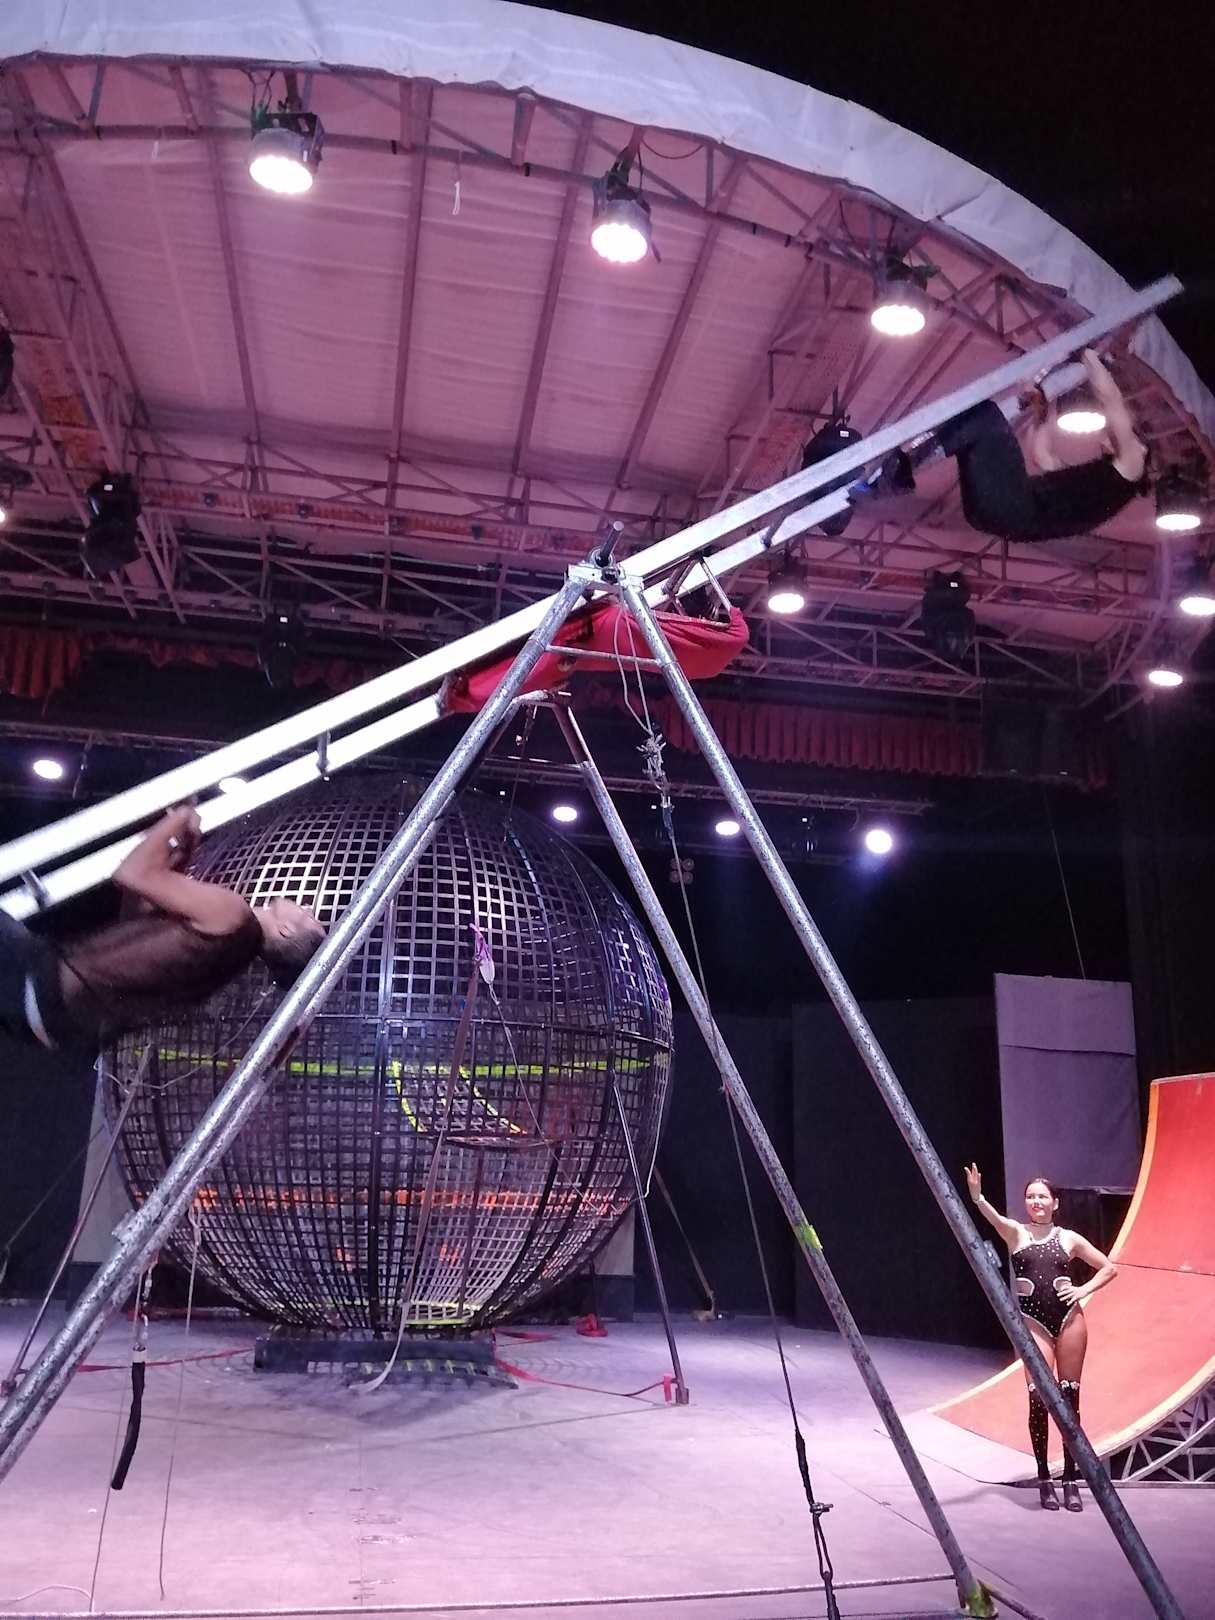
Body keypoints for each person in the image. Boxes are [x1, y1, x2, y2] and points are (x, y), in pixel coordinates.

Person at [0, 805, 325, 1052]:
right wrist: (181, 856)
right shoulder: (233, 952)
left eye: (311, 921)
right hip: (51, 1019)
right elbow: (135, 924)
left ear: (285, 931)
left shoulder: (234, 914)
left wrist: (182, 813)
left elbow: (129, 873)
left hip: (39, 980)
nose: (309, 910)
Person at [857, 349, 1148, 543]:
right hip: (995, 516)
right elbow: (1042, 454)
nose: (1103, 436)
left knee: (986, 418)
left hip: (1013, 507)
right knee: (972, 424)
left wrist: (1089, 355)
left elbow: (1113, 402)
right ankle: (900, 472)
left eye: (1111, 435)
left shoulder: (1133, 464)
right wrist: (1044, 404)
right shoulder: (1095, 486)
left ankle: (900, 475)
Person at [965, 1163, 1118, 1512]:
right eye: (1031, 1197)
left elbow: (1109, 1268)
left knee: (1069, 1401)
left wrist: (1083, 1290)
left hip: (1070, 1322)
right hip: (1034, 1324)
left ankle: (1070, 1479)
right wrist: (977, 1197)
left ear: (1055, 1203)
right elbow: (992, 1217)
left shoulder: (1069, 1238)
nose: (1036, 1202)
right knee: (1038, 1400)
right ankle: (1044, 1477)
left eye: (1042, 1196)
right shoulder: (1016, 1233)